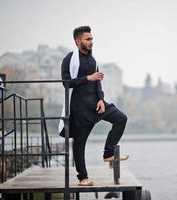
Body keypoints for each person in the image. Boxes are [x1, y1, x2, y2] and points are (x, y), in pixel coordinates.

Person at [59, 26, 129, 186]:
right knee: (79, 143)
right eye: (88, 39)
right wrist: (87, 78)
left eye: (92, 39)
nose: (91, 42)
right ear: (78, 41)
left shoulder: (93, 60)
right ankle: (82, 178)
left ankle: (108, 153)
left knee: (121, 118)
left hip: (97, 104)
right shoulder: (69, 59)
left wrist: (100, 99)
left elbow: (97, 82)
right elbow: (66, 83)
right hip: (80, 108)